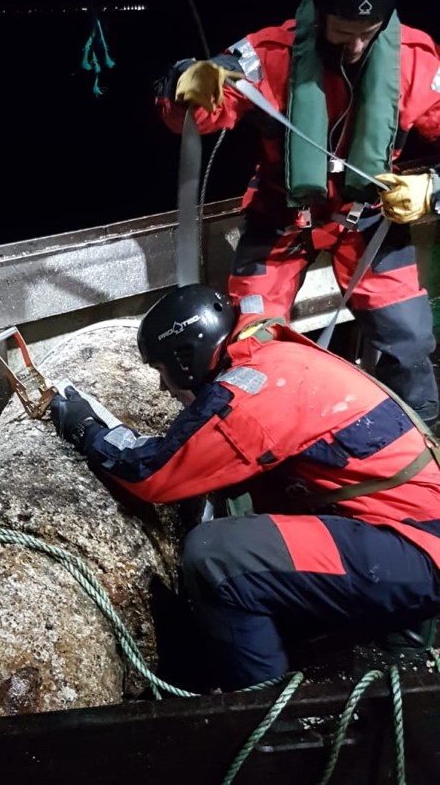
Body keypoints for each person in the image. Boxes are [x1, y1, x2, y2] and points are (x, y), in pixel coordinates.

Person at [50, 284, 440, 691]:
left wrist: (86, 428)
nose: (164, 387)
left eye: (161, 370)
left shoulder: (256, 387)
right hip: (405, 531)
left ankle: (265, 715)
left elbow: (153, 472)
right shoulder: (271, 354)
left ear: (185, 358)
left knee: (216, 555)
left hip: (413, 548)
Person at [154, 0, 440, 424]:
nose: (358, 46)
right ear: (323, 13)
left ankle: (421, 441)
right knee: (252, 342)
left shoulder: (418, 60)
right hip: (281, 215)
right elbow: (196, 111)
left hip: (370, 217)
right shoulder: (269, 53)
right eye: (345, 31)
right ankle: (262, 436)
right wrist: (185, 84)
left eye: (369, 33)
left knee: (407, 339)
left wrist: (433, 187)